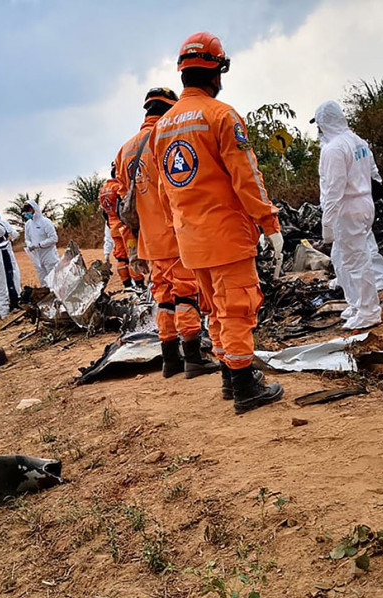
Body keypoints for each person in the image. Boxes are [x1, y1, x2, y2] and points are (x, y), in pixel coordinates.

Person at [149, 32, 284, 413]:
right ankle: (244, 385)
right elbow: (247, 177)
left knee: (214, 309)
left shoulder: (162, 128)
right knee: (237, 308)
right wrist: (269, 223)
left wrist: (180, 230)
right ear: (216, 71)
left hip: (190, 243)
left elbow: (164, 192)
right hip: (226, 236)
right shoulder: (221, 116)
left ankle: (229, 375)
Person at [116, 86, 219, 380]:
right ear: (170, 108)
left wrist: (133, 246)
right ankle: (194, 359)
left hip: (149, 241)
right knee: (186, 295)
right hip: (176, 236)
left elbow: (124, 205)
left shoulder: (125, 150)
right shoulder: (166, 137)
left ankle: (170, 359)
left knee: (163, 298)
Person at [314, 100, 382, 330]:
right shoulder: (358, 141)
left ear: (324, 123)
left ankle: (369, 311)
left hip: (347, 209)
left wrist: (327, 222)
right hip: (363, 203)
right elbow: (374, 174)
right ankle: (356, 304)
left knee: (356, 261)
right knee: (341, 258)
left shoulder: (333, 149)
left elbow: (334, 189)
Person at [98, 168, 144, 290]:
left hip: (113, 228)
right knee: (132, 254)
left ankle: (127, 285)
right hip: (124, 227)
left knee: (121, 257)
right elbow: (125, 207)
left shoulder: (103, 190)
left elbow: (104, 213)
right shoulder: (118, 187)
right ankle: (139, 284)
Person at [0, 204, 22, 309]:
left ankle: (17, 295)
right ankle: (5, 300)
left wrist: (9, 237)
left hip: (8, 252)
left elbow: (14, 234)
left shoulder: (3, 223)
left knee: (13, 274)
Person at [22, 199, 59, 286]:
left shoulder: (45, 222)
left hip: (49, 255)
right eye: (26, 211)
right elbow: (27, 239)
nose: (27, 213)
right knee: (43, 281)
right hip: (37, 257)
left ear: (34, 209)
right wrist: (30, 245)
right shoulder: (28, 224)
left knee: (54, 280)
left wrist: (40, 245)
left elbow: (54, 238)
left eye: (29, 210)